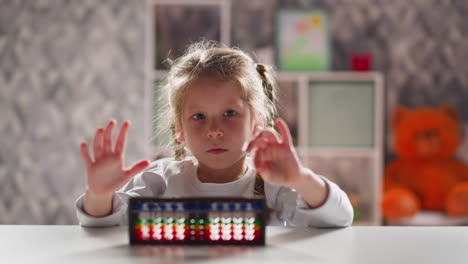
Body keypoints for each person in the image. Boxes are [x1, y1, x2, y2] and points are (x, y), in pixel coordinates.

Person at [75, 41, 353, 227]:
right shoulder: (160, 180)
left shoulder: (273, 185)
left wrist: (301, 179)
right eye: (198, 117)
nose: (215, 131)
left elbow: (340, 218)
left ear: (256, 123)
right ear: (179, 129)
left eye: (230, 114)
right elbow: (106, 228)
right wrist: (99, 194)